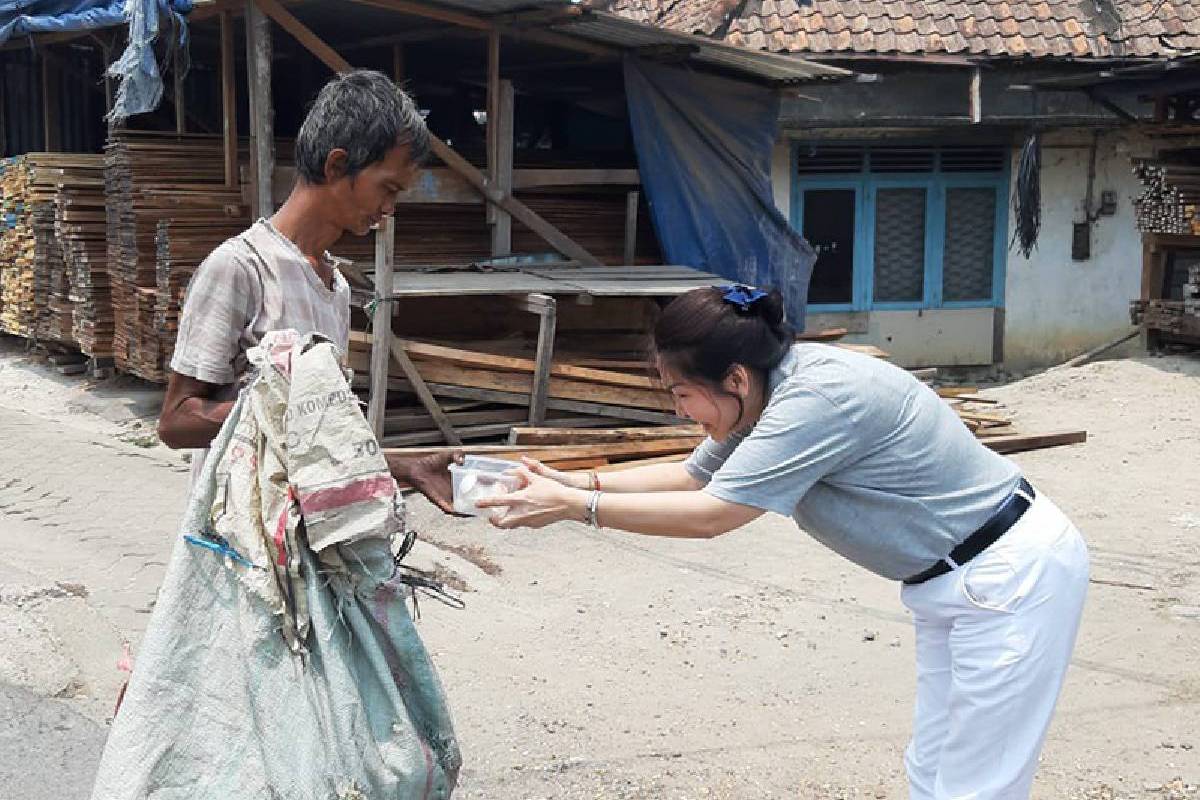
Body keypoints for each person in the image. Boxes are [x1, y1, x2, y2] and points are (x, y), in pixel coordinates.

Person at [478, 284, 1090, 800]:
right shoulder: (768, 395)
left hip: (1008, 576)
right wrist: (576, 480)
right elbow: (696, 473)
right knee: (933, 768)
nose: (683, 411)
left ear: (734, 378)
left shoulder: (816, 401)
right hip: (952, 581)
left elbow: (712, 514)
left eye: (682, 395)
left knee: (978, 783)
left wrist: (576, 508)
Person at [157, 68, 456, 506]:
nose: (389, 209)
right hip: (240, 533)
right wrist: (287, 418)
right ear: (337, 166)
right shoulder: (241, 268)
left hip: (305, 535)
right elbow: (176, 423)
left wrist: (403, 466)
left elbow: (321, 434)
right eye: (387, 188)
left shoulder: (333, 286)